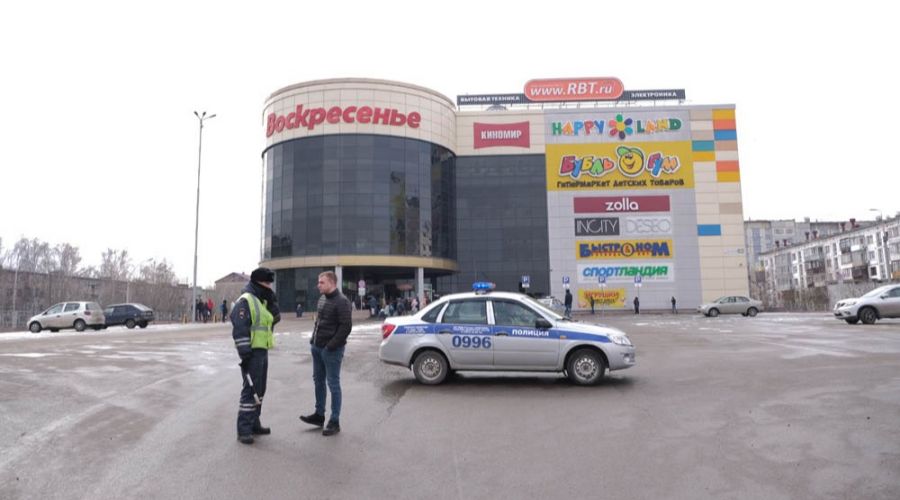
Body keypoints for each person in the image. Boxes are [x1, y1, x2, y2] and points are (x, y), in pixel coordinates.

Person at [299, 271, 352, 436]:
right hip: (317, 347)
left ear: (332, 283)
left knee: (333, 384)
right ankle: (319, 415)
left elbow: (346, 327)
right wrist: (312, 340)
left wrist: (331, 346)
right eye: (318, 282)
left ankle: (334, 421)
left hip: (332, 350)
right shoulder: (322, 299)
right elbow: (319, 322)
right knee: (318, 381)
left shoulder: (342, 302)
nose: (318, 285)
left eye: (321, 282)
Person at [231, 267, 280, 445]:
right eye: (267, 283)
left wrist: (272, 303)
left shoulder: (262, 299)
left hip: (262, 350)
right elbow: (240, 328)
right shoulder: (246, 300)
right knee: (250, 390)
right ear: (259, 282)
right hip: (251, 352)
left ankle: (254, 422)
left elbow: (273, 319)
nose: (269, 287)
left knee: (260, 389)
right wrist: (245, 355)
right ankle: (243, 429)